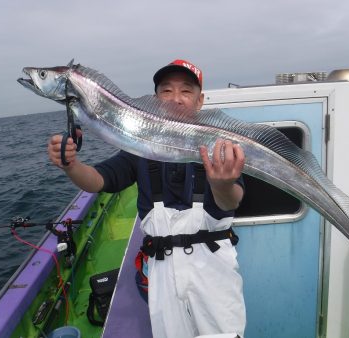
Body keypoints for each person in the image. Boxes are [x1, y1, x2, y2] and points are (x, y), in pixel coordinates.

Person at [48, 59, 246, 338]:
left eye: (186, 91)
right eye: (166, 91)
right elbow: (99, 180)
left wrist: (221, 185)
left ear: (200, 101)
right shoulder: (139, 146)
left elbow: (232, 201)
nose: (175, 99)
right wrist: (71, 165)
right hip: (161, 269)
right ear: (155, 100)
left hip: (212, 268)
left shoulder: (219, 144)